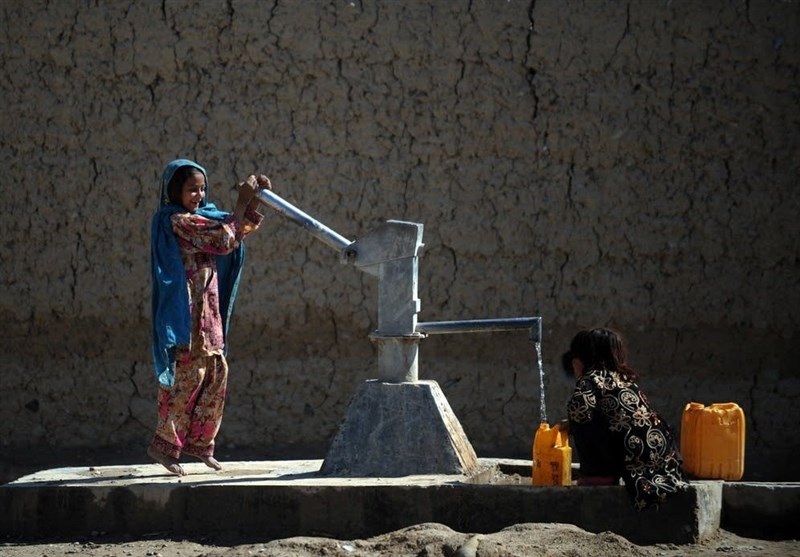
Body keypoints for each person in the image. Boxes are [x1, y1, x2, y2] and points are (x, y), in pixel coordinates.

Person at [148, 158, 270, 475]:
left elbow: (236, 228)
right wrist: (244, 201)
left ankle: (201, 446)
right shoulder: (176, 221)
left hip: (208, 313)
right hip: (186, 315)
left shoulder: (201, 217)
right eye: (191, 190)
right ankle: (165, 447)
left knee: (216, 374)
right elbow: (224, 239)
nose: (199, 196)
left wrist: (254, 200)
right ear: (175, 191)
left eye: (202, 189)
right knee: (188, 379)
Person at [561, 327, 687, 509]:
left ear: (582, 359)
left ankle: (597, 477)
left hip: (633, 460)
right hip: (663, 459)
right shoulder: (625, 381)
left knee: (580, 423)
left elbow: (579, 414)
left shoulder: (590, 380)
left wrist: (571, 424)